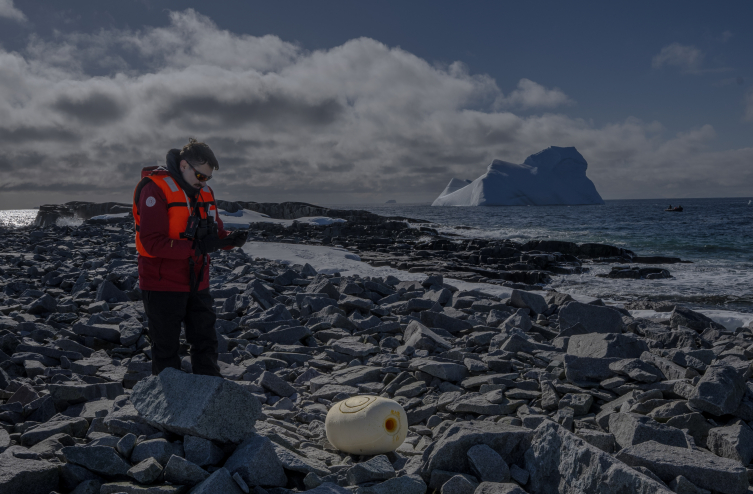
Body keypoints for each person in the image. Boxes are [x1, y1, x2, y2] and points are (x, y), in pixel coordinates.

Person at [132, 138, 248, 376]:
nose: (203, 182)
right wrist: (197, 247)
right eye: (201, 176)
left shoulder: (203, 192)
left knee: (206, 343)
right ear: (184, 165)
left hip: (197, 281)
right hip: (161, 283)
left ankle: (209, 398)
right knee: (166, 349)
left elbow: (214, 232)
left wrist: (228, 241)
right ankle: (170, 407)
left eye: (208, 178)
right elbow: (152, 242)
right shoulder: (155, 189)